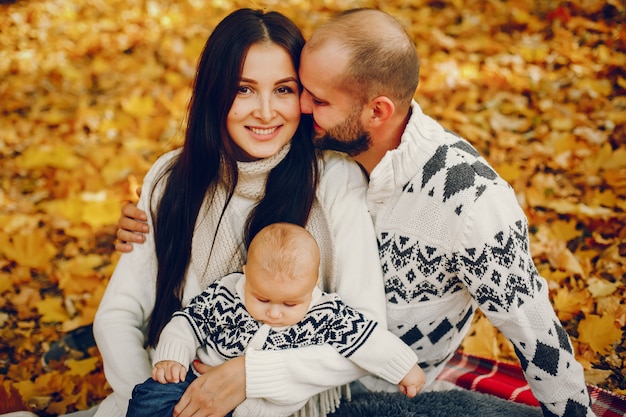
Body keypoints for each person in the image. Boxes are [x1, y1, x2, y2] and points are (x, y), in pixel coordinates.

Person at [116, 8, 596, 417]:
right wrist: (149, 222)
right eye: (297, 89)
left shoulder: (469, 202)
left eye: (313, 98)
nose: (296, 108)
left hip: (383, 393)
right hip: (258, 355)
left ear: (378, 112)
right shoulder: (333, 154)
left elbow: (537, 335)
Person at [92, 8, 389, 417]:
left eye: (284, 90)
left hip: (286, 406)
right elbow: (120, 314)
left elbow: (365, 329)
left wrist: (251, 375)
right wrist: (145, 400)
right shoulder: (171, 177)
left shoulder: (334, 182)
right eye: (244, 89)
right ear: (215, 91)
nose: (265, 112)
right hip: (167, 395)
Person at [127, 222, 425, 417]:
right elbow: (188, 322)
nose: (274, 312)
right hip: (195, 379)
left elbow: (367, 338)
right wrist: (172, 358)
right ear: (246, 274)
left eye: (290, 303)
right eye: (262, 298)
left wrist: (404, 367)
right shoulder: (228, 294)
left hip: (259, 406)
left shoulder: (325, 314)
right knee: (150, 398)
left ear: (313, 286)